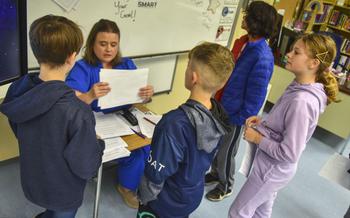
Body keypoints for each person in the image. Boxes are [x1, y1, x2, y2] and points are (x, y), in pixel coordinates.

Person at [0, 15, 104, 218]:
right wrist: (98, 144)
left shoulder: (18, 90)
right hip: (63, 192)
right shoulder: (77, 111)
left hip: (33, 179)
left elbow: (19, 127)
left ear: (36, 52)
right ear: (72, 57)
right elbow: (86, 166)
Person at [229, 33, 340, 218]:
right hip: (271, 165)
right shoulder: (298, 86)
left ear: (313, 63)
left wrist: (258, 138)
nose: (288, 54)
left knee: (238, 212)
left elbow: (290, 153)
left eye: (296, 52)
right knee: (261, 211)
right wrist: (265, 124)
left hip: (273, 169)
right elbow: (285, 124)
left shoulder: (302, 101)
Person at [137, 42, 234, 218]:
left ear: (193, 77)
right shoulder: (220, 116)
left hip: (163, 202)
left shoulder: (173, 124)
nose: (187, 69)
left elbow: (156, 174)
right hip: (190, 197)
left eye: (188, 66)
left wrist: (144, 198)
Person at [65, 19, 153, 209]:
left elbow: (140, 98)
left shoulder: (126, 64)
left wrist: (146, 96)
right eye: (102, 44)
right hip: (95, 121)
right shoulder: (82, 67)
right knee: (135, 154)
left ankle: (136, 179)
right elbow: (69, 104)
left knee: (146, 146)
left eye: (113, 44)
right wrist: (89, 95)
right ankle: (126, 188)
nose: (108, 49)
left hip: (123, 117)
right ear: (92, 44)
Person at [205, 1, 278, 201]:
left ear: (257, 22)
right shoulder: (243, 41)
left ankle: (225, 184)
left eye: (247, 14)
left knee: (227, 151)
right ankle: (215, 173)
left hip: (236, 114)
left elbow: (256, 95)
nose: (243, 17)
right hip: (222, 104)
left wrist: (242, 118)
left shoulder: (262, 56)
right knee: (216, 145)